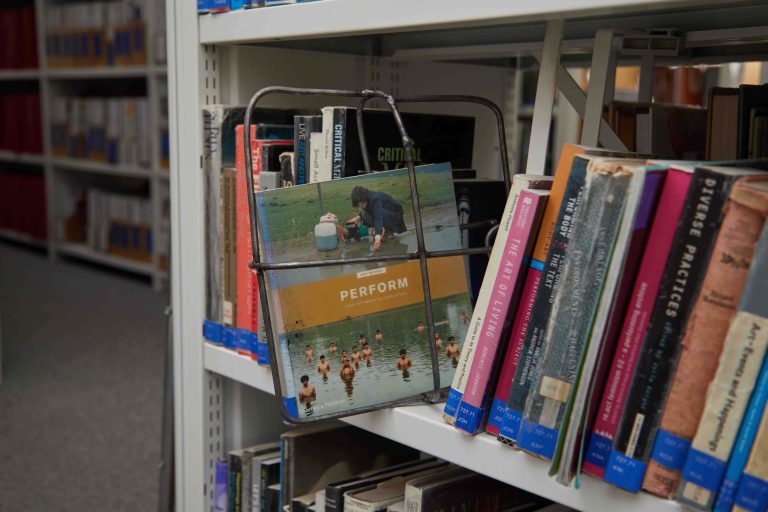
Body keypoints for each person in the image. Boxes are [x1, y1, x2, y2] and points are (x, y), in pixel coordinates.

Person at [350, 185, 407, 251]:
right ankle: (381, 231)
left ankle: (388, 233)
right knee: (363, 214)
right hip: (384, 214)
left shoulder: (375, 198)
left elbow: (378, 217)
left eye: (362, 203)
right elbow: (367, 210)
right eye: (359, 204)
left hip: (395, 216)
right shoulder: (365, 198)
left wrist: (377, 236)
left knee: (380, 214)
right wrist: (358, 217)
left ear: (364, 198)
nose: (361, 206)